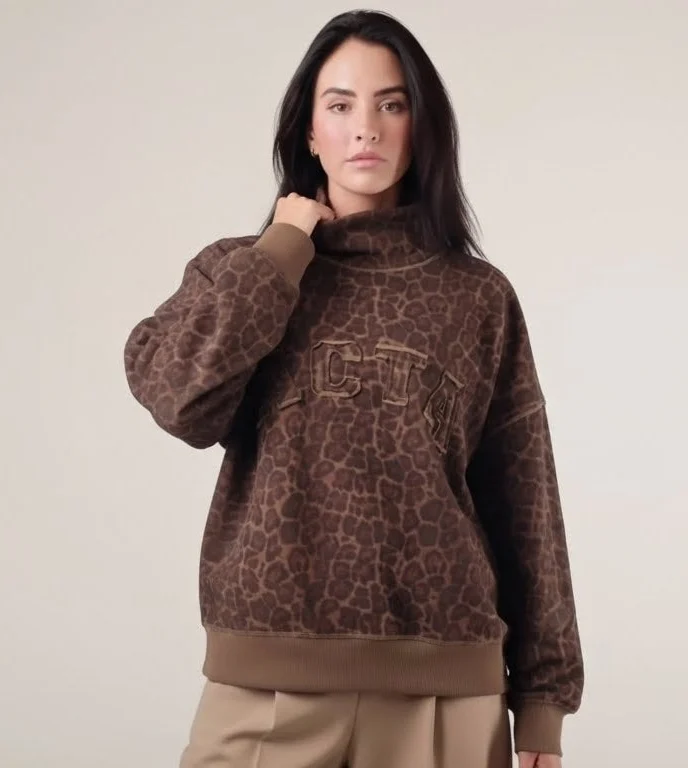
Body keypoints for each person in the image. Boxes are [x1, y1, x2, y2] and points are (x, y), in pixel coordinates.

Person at [123, 9, 584, 768]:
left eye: (391, 104)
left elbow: (525, 499)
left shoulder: (476, 296)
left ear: (421, 126)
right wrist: (282, 249)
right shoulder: (243, 272)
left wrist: (543, 701)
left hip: (445, 690)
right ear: (308, 131)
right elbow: (179, 399)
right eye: (339, 105)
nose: (365, 127)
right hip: (266, 683)